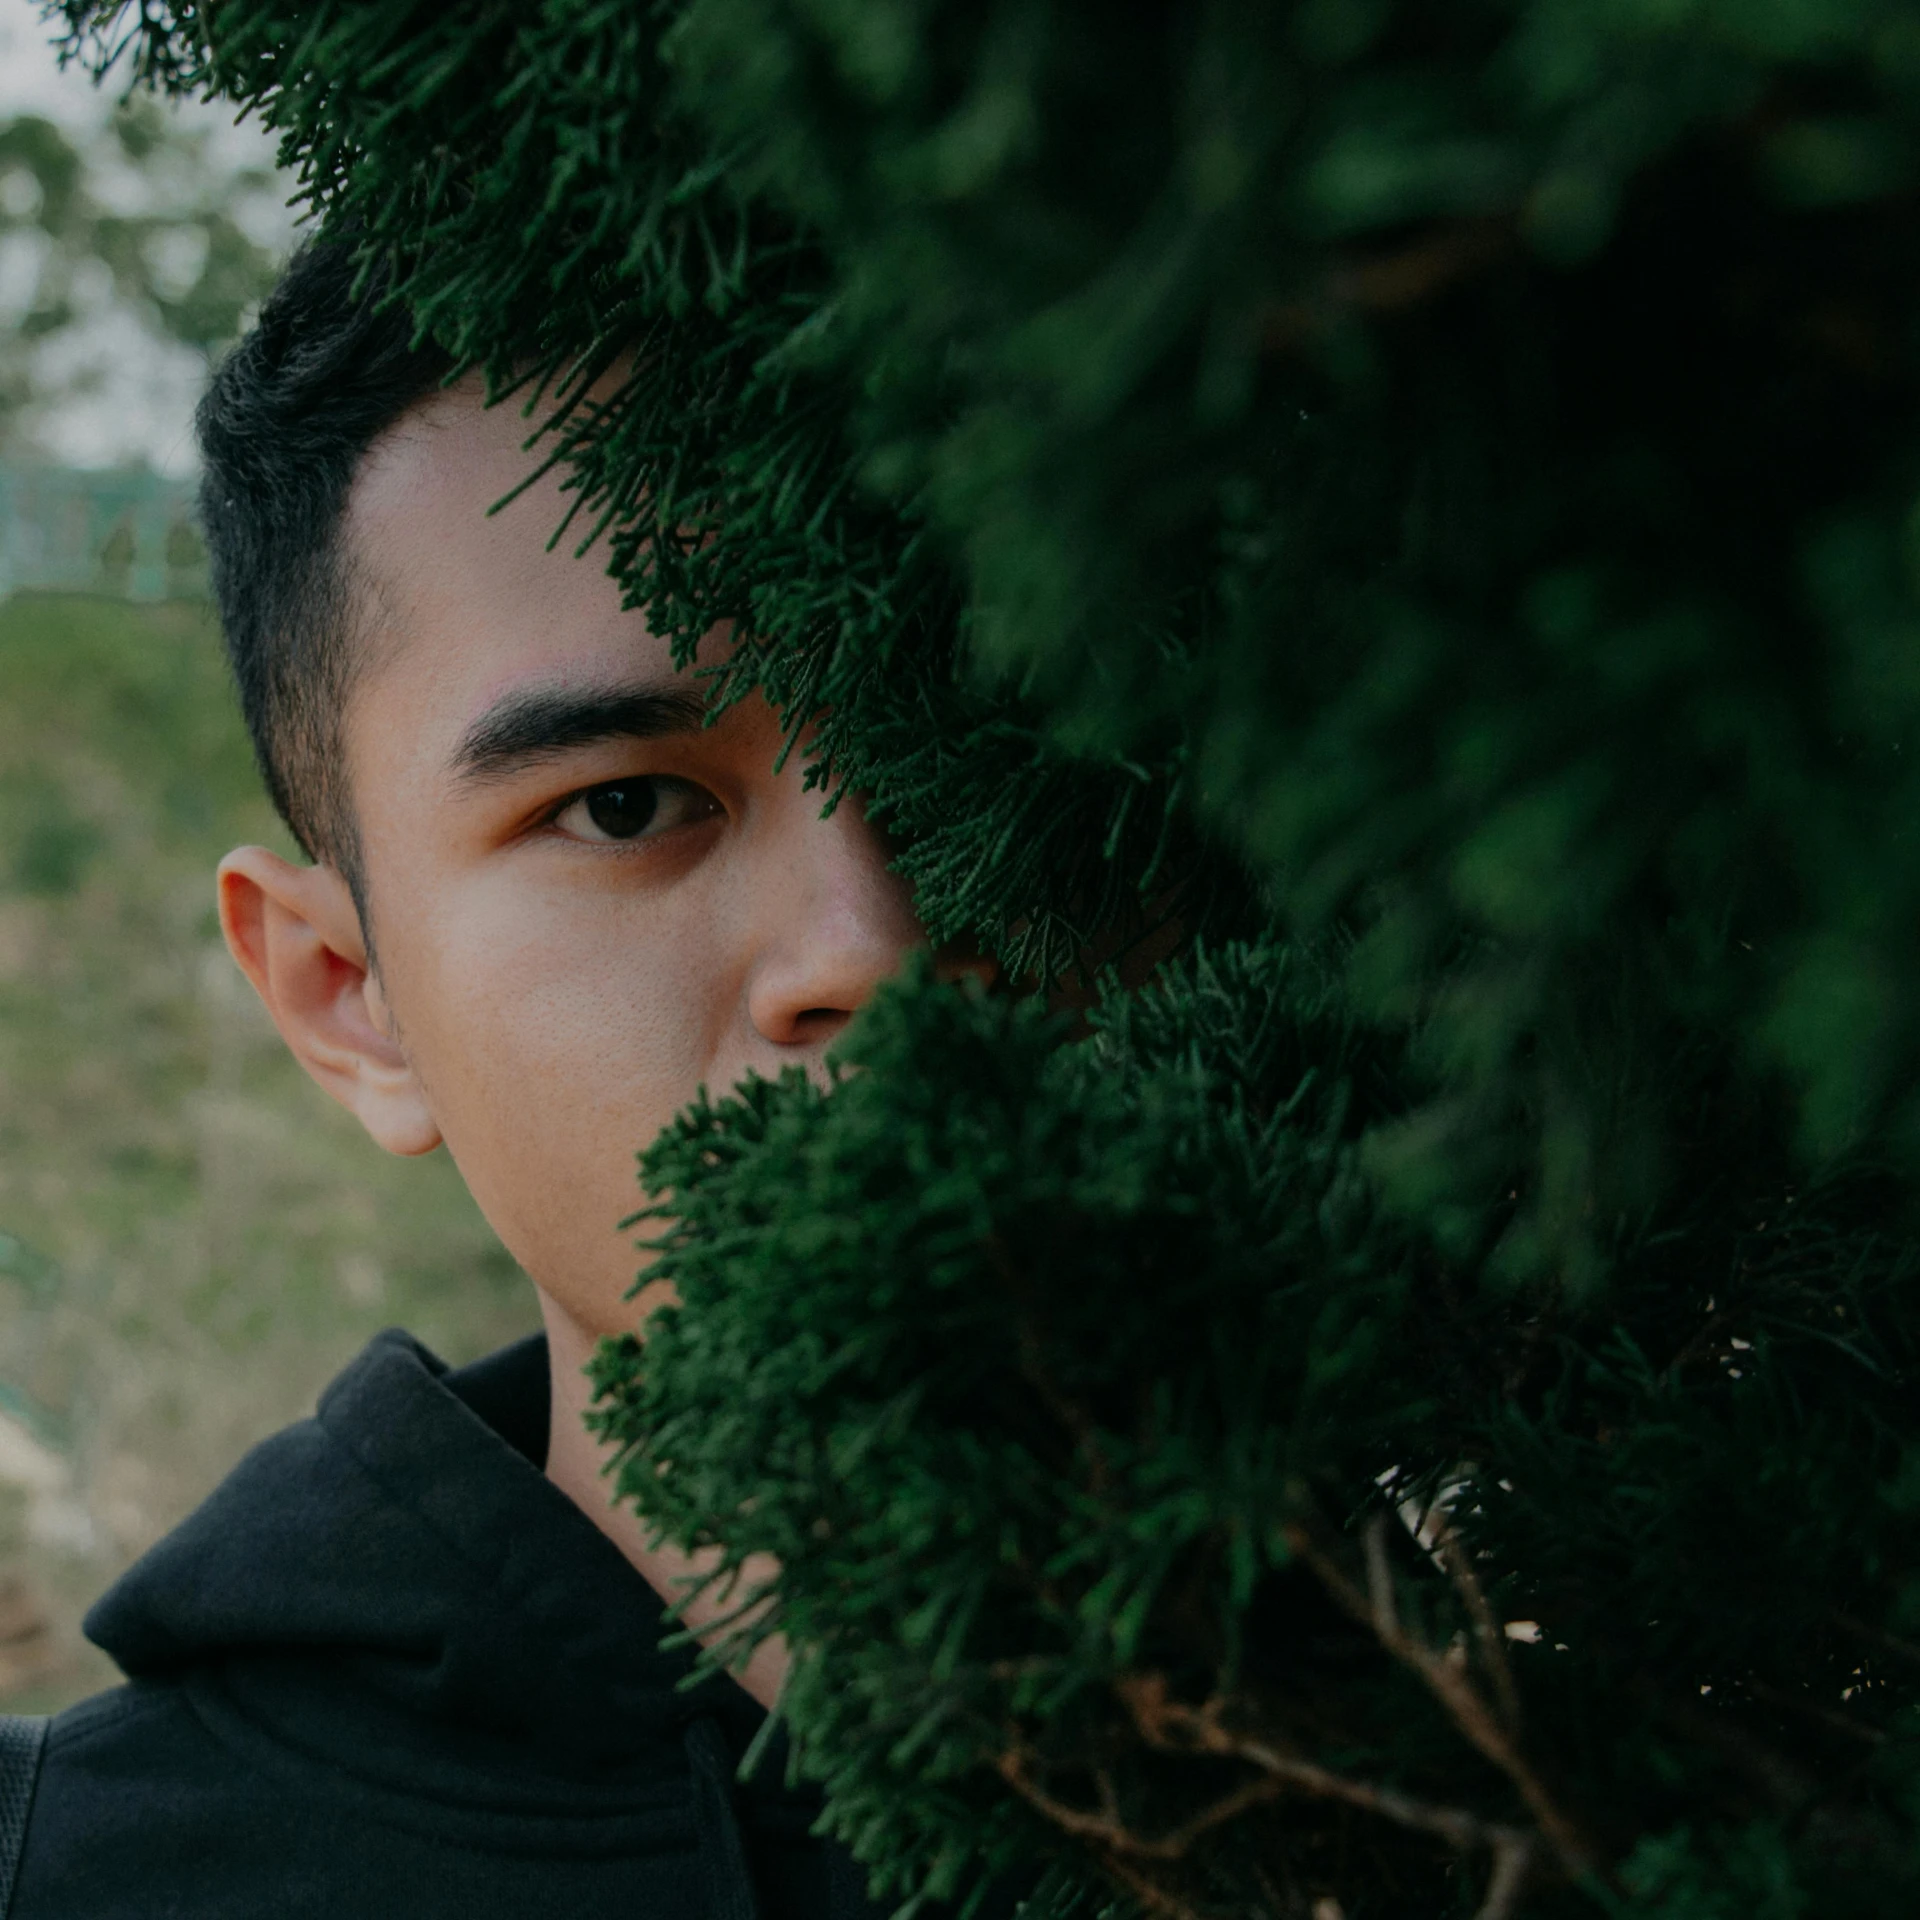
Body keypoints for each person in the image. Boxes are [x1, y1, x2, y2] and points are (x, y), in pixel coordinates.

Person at [3, 237, 984, 1918]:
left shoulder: (1559, 1710)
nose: (870, 945)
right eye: (626, 804)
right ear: (348, 1000)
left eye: (993, 763)